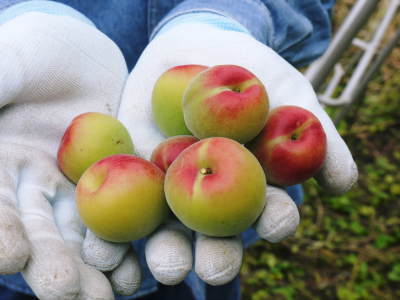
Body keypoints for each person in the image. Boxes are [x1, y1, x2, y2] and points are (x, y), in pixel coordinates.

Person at [0, 1, 358, 299]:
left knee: (204, 274)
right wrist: (22, 19)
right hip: (43, 222)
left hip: (209, 225)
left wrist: (228, 15)